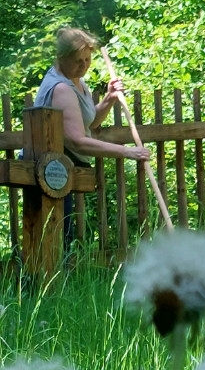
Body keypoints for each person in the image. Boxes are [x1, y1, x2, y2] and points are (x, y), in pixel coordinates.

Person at [35, 27, 152, 241]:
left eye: (88, 60)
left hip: (62, 170)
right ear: (61, 58)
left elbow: (89, 123)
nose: (84, 66)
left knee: (63, 240)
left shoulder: (77, 82)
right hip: (49, 171)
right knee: (56, 241)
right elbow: (78, 142)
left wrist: (109, 99)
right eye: (78, 61)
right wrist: (127, 152)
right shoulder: (61, 89)